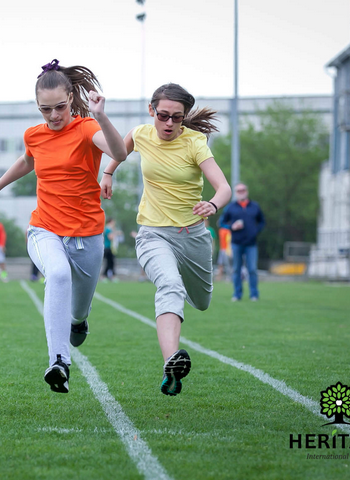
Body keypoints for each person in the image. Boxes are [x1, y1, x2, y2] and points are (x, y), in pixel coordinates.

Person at [0, 59, 127, 393]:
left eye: (60, 107)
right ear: (38, 107)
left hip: (87, 234)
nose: (54, 115)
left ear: (72, 98)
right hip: (44, 228)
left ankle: (78, 321)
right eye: (46, 110)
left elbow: (120, 152)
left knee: (79, 309)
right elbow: (27, 161)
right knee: (57, 275)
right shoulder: (34, 134)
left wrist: (101, 116)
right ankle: (59, 361)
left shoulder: (88, 129)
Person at [101, 83, 231, 396]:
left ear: (184, 118)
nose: (169, 123)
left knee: (201, 302)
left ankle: (174, 345)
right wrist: (108, 173)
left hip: (193, 237)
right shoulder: (142, 133)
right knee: (170, 286)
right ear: (152, 111)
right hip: (152, 233)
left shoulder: (195, 142)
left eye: (177, 117)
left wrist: (212, 204)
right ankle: (171, 361)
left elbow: (223, 187)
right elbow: (121, 149)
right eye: (163, 116)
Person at [221, 183, 265, 301]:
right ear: (236, 193)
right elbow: (221, 223)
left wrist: (256, 231)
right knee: (236, 269)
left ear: (247, 191)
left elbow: (262, 221)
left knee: (252, 269)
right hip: (236, 243)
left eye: (243, 190)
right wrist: (231, 227)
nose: (241, 192)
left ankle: (254, 295)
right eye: (238, 190)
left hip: (251, 244)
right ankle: (237, 294)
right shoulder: (231, 207)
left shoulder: (255, 206)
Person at [102, 218, 121, 282]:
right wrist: (116, 233)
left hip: (111, 248)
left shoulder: (110, 229)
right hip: (108, 248)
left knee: (111, 262)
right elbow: (110, 237)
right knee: (109, 262)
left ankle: (110, 276)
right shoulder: (107, 229)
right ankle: (105, 276)